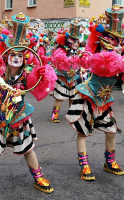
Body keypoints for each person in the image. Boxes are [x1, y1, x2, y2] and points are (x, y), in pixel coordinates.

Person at [0, 12, 57, 200]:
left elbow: (38, 88)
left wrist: (41, 74)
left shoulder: (27, 75)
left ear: (25, 57)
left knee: (28, 150)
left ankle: (38, 178)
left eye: (20, 55)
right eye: (12, 54)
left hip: (20, 118)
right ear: (6, 54)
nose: (16, 58)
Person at [65, 1, 124, 181]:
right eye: (113, 38)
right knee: (83, 131)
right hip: (88, 95)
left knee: (112, 130)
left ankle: (109, 162)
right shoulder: (98, 50)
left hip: (105, 98)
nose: (117, 42)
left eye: (119, 38)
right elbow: (95, 64)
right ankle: (84, 165)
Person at [51, 20, 82, 123]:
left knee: (73, 97)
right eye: (74, 41)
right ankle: (54, 115)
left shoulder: (79, 51)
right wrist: (69, 58)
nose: (76, 44)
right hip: (63, 77)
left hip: (74, 77)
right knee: (60, 97)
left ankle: (71, 115)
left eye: (77, 41)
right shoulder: (61, 50)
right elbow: (57, 58)